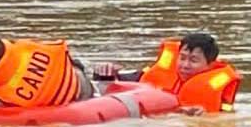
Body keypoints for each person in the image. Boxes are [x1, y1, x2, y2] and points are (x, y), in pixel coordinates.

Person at [93, 33, 241, 113]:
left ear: (209, 65)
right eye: (182, 58)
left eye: (193, 60)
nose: (185, 65)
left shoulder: (219, 100)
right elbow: (113, 84)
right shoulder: (155, 75)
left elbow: (223, 124)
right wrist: (105, 73)